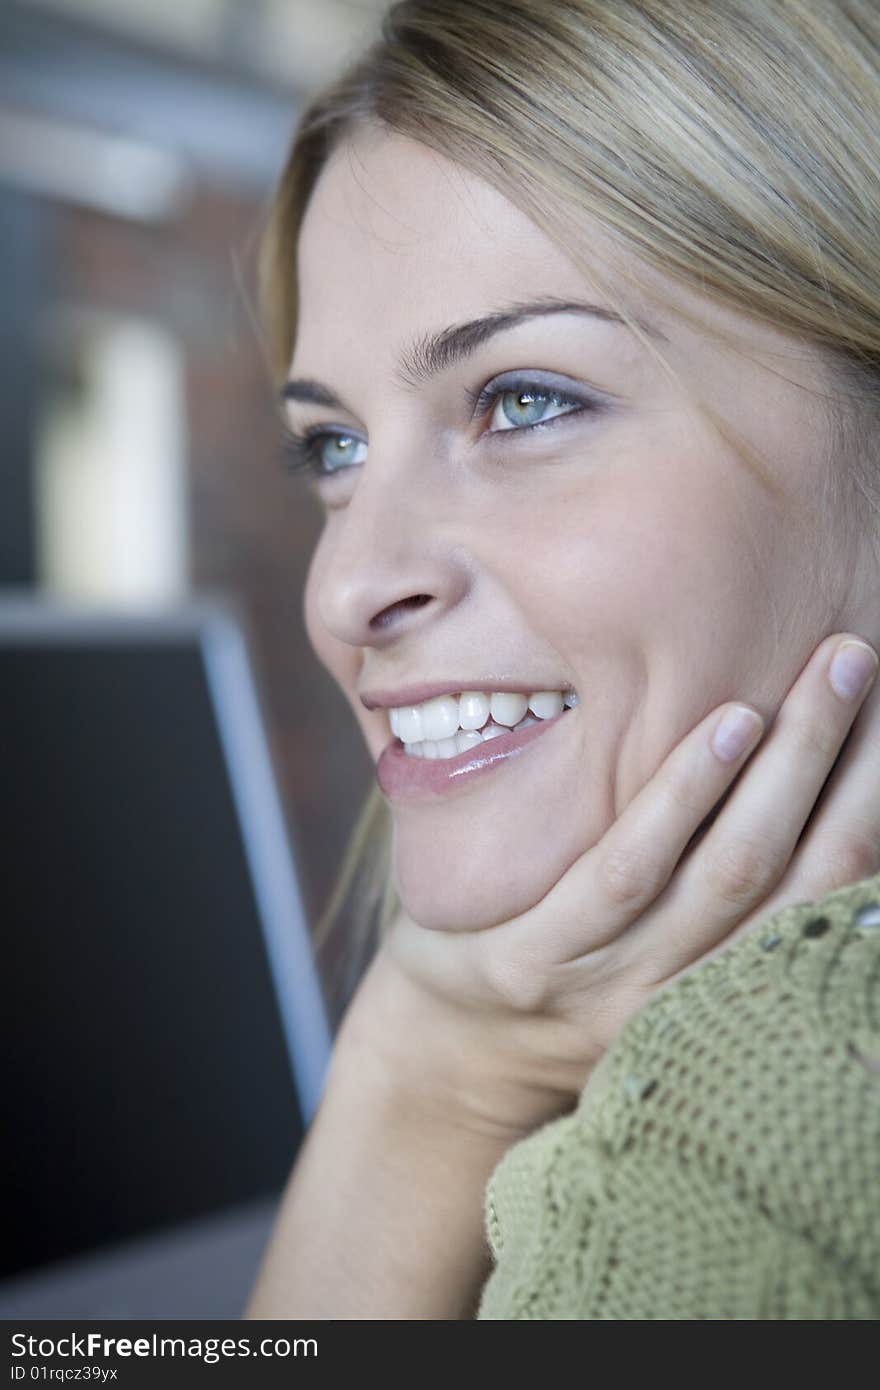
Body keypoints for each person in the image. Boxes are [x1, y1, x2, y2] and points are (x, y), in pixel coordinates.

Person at [244, 0, 880, 1319]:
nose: (347, 585)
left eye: (523, 400)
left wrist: (419, 1081)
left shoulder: (742, 1148)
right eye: (335, 449)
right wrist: (436, 1051)